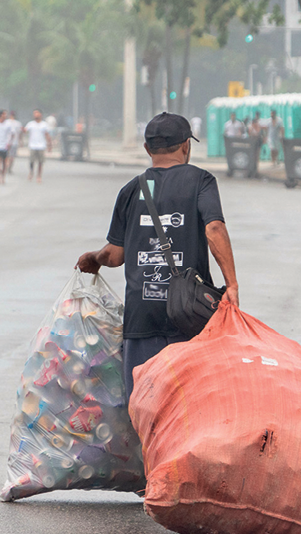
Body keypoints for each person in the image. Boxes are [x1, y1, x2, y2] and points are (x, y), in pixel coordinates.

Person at [77, 112, 238, 398]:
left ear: (147, 149)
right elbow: (214, 228)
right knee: (187, 407)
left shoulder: (132, 190)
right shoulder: (200, 180)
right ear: (186, 145)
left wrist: (94, 257)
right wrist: (232, 285)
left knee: (144, 406)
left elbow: (114, 255)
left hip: (142, 317)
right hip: (189, 314)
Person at [22, 109, 52, 182]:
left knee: (40, 162)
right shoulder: (30, 124)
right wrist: (22, 130)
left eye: (37, 113)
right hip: (32, 145)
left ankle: (39, 175)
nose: (35, 115)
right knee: (32, 161)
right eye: (34, 113)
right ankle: (31, 172)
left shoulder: (44, 124)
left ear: (40, 114)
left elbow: (47, 135)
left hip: (41, 145)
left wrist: (49, 145)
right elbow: (25, 131)